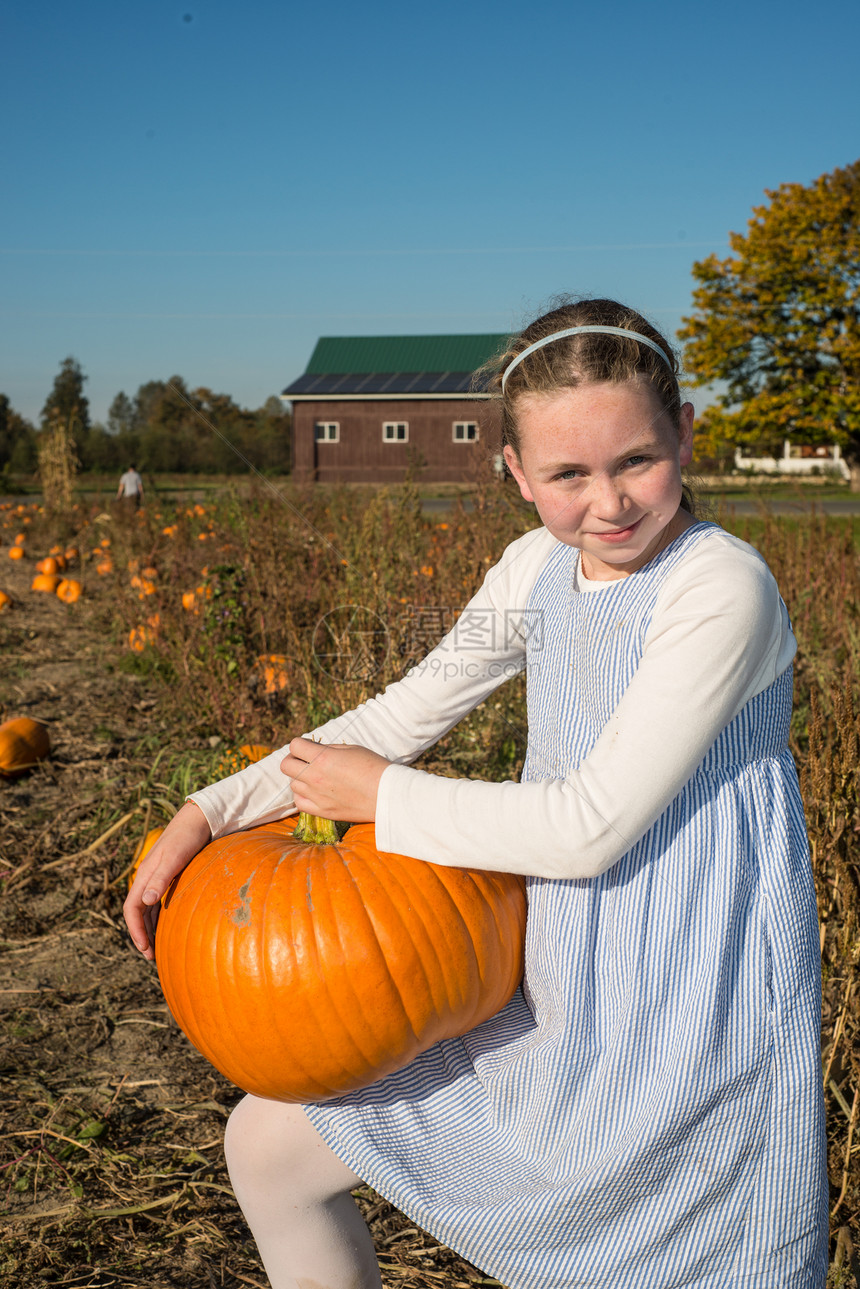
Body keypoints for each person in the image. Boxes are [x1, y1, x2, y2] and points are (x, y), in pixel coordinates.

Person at [124, 297, 828, 1289]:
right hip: (553, 987)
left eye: (635, 458)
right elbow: (400, 713)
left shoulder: (717, 587)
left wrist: (383, 796)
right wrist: (208, 809)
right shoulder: (533, 569)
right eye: (566, 474)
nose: (610, 501)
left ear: (684, 434)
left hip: (685, 1011)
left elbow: (588, 825)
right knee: (267, 1148)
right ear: (513, 473)